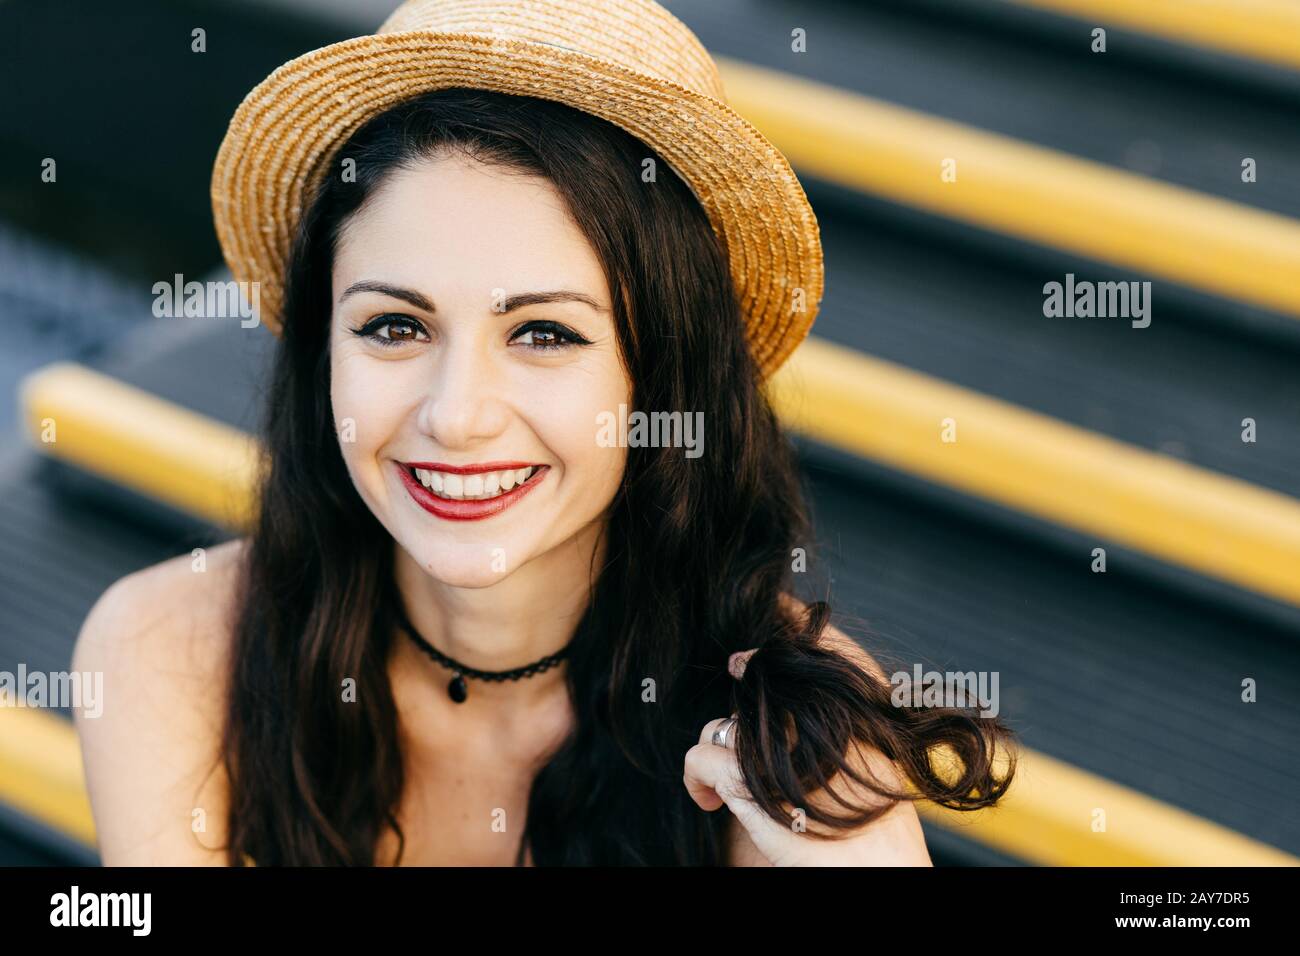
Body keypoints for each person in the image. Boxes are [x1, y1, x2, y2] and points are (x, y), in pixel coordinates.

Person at [72, 0, 1016, 866]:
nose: (456, 415)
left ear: (663, 375)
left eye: (545, 334)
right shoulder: (172, 649)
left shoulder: (794, 746)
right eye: (394, 327)